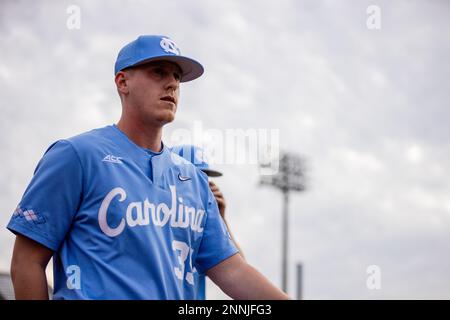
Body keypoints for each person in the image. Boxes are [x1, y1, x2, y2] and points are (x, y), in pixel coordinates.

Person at [7, 35, 289, 300]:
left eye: (177, 77)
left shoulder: (194, 181)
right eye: (158, 72)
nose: (172, 84)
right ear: (122, 82)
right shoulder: (76, 155)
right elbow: (26, 261)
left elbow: (232, 270)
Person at [171, 144, 245, 299]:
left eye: (205, 178)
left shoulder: (200, 227)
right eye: (196, 175)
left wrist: (220, 219)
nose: (202, 185)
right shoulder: (154, 219)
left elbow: (239, 272)